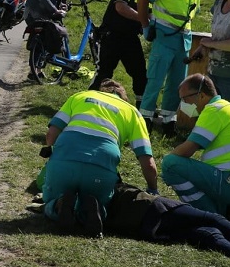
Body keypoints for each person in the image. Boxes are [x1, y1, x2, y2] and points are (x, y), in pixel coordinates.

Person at [41, 79, 159, 238]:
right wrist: (153, 189)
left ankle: (59, 204)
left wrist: (52, 154)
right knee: (104, 206)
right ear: (124, 98)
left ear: (101, 91)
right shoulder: (132, 112)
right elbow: (148, 163)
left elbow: (51, 135)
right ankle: (96, 208)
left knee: (49, 200)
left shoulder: (80, 96)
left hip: (65, 159)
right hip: (101, 166)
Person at [162, 74, 230, 223]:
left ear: (201, 95)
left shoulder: (213, 110)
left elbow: (187, 150)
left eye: (184, 99)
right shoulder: (225, 107)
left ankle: (207, 216)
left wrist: (166, 160)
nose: (183, 104)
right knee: (194, 171)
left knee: (170, 164)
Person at [105, 182, 230, 265]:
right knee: (212, 219)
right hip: (152, 208)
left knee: (203, 233)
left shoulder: (95, 208)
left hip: (145, 229)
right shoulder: (102, 183)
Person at [137, 0, 203, 134]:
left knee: (177, 83)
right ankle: (145, 117)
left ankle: (168, 119)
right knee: (156, 79)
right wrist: (145, 26)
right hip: (164, 38)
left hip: (183, 41)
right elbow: (143, 0)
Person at [89, 0, 157, 108]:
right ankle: (89, 101)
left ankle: (142, 106)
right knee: (105, 71)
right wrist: (142, 18)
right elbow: (121, 8)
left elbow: (150, 13)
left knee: (140, 72)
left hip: (131, 38)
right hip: (112, 36)